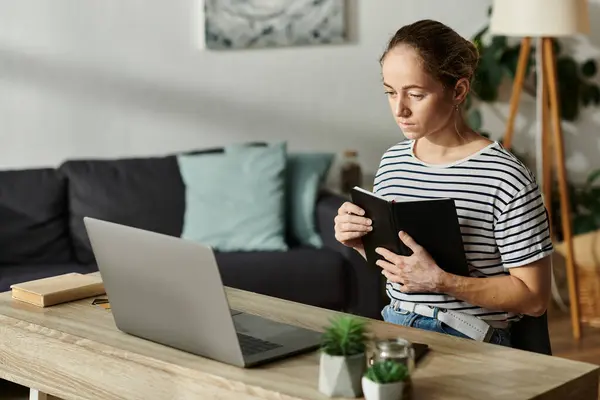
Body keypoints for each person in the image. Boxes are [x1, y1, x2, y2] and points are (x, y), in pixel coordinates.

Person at [333, 19, 553, 347]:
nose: (399, 109)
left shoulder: (505, 178)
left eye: (416, 94)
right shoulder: (393, 163)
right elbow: (400, 267)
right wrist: (359, 241)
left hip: (468, 338)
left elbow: (535, 298)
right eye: (390, 93)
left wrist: (442, 282)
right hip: (395, 327)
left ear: (459, 91)